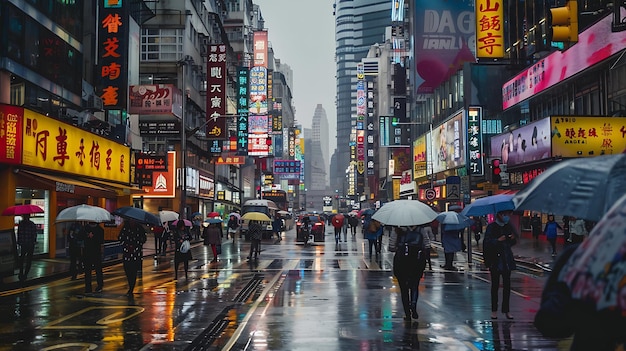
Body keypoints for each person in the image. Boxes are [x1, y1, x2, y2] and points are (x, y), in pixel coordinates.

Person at [484, 210, 517, 320]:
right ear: (498, 215)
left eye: (508, 215)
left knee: (507, 286)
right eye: (504, 215)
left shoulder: (508, 227)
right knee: (495, 286)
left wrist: (512, 239)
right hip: (495, 260)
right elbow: (487, 243)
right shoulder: (491, 227)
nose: (507, 217)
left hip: (506, 260)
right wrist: (497, 240)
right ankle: (494, 310)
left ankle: (506, 310)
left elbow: (512, 242)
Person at [393, 225, 428, 321]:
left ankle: (407, 314)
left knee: (404, 290)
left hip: (402, 263)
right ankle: (413, 304)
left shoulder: (398, 229)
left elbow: (391, 247)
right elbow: (427, 245)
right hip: (417, 262)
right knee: (414, 285)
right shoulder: (421, 230)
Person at [118, 219, 147, 296]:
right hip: (127, 253)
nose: (132, 222)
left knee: (133, 271)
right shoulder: (125, 228)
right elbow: (120, 238)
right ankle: (130, 284)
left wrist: (137, 245)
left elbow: (143, 239)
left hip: (136, 254)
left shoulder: (139, 228)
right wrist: (126, 245)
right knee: (127, 269)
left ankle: (131, 287)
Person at [81, 221, 104, 293]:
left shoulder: (100, 230)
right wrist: (87, 235)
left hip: (96, 252)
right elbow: (80, 236)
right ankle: (88, 287)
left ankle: (100, 285)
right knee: (87, 271)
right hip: (87, 252)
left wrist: (94, 236)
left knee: (98, 270)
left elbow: (101, 241)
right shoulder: (85, 229)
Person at [17, 214, 38, 282]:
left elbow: (19, 233)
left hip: (23, 244)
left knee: (22, 258)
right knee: (29, 260)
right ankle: (25, 274)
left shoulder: (21, 224)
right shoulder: (32, 224)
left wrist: (19, 242)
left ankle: (21, 272)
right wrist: (33, 241)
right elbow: (34, 234)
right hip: (30, 244)